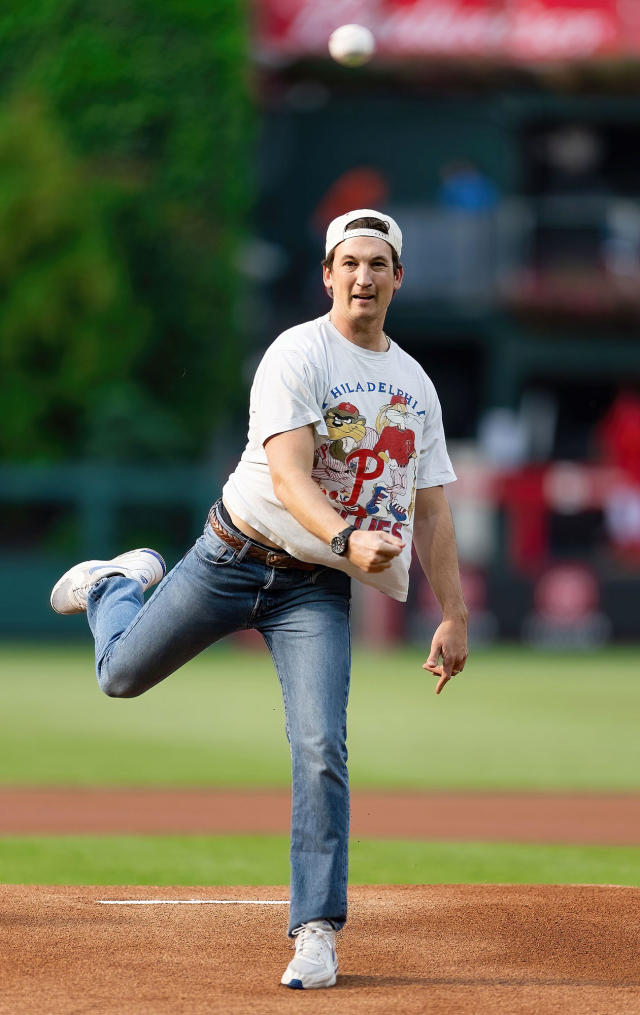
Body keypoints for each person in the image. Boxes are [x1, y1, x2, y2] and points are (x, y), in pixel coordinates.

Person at [50, 208, 469, 990]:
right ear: (327, 274)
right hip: (231, 556)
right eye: (349, 263)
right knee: (120, 676)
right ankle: (116, 581)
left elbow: (434, 507)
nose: (363, 276)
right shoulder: (297, 353)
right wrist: (349, 540)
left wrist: (453, 611)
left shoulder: (414, 384)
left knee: (321, 746)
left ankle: (316, 930)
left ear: (398, 278)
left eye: (378, 264)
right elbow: (288, 476)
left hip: (311, 590)